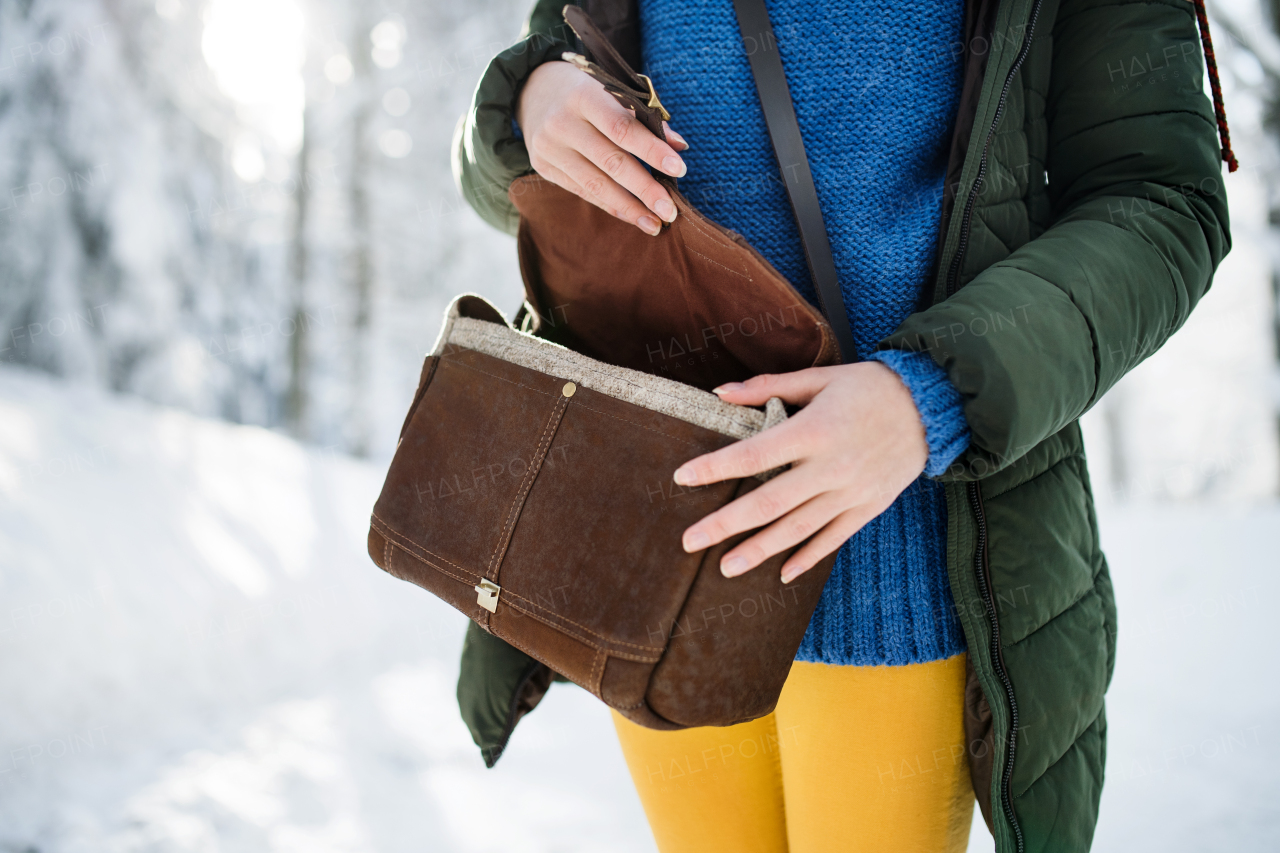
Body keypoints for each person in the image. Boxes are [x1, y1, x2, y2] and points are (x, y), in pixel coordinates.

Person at [453, 1, 1233, 851]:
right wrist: (525, 109)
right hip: (654, 547)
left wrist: (929, 394)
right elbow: (503, 179)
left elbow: (1159, 201)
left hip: (898, 558)